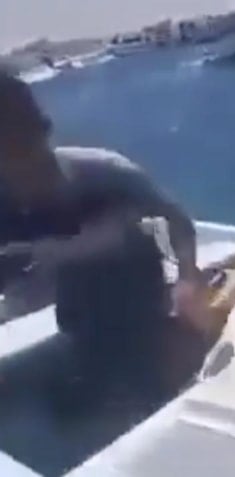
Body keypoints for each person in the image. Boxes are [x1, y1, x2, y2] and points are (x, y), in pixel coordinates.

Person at [0, 71, 212, 396]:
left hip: (134, 310)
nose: (17, 164)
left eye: (22, 145)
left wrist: (187, 279)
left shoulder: (107, 174)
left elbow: (177, 222)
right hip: (63, 317)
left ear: (44, 130)